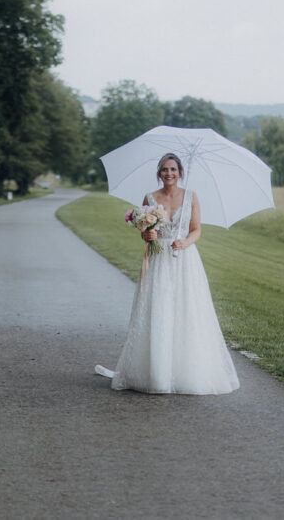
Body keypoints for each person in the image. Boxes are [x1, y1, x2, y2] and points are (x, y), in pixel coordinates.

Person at [95, 153, 240, 395]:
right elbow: (145, 232)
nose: (169, 173)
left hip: (184, 259)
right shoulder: (150, 198)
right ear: (159, 173)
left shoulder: (191, 197)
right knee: (158, 308)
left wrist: (185, 243)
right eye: (164, 169)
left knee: (186, 310)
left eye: (173, 169)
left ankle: (187, 371)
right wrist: (147, 235)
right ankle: (156, 372)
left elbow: (196, 230)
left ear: (180, 172)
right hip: (158, 259)